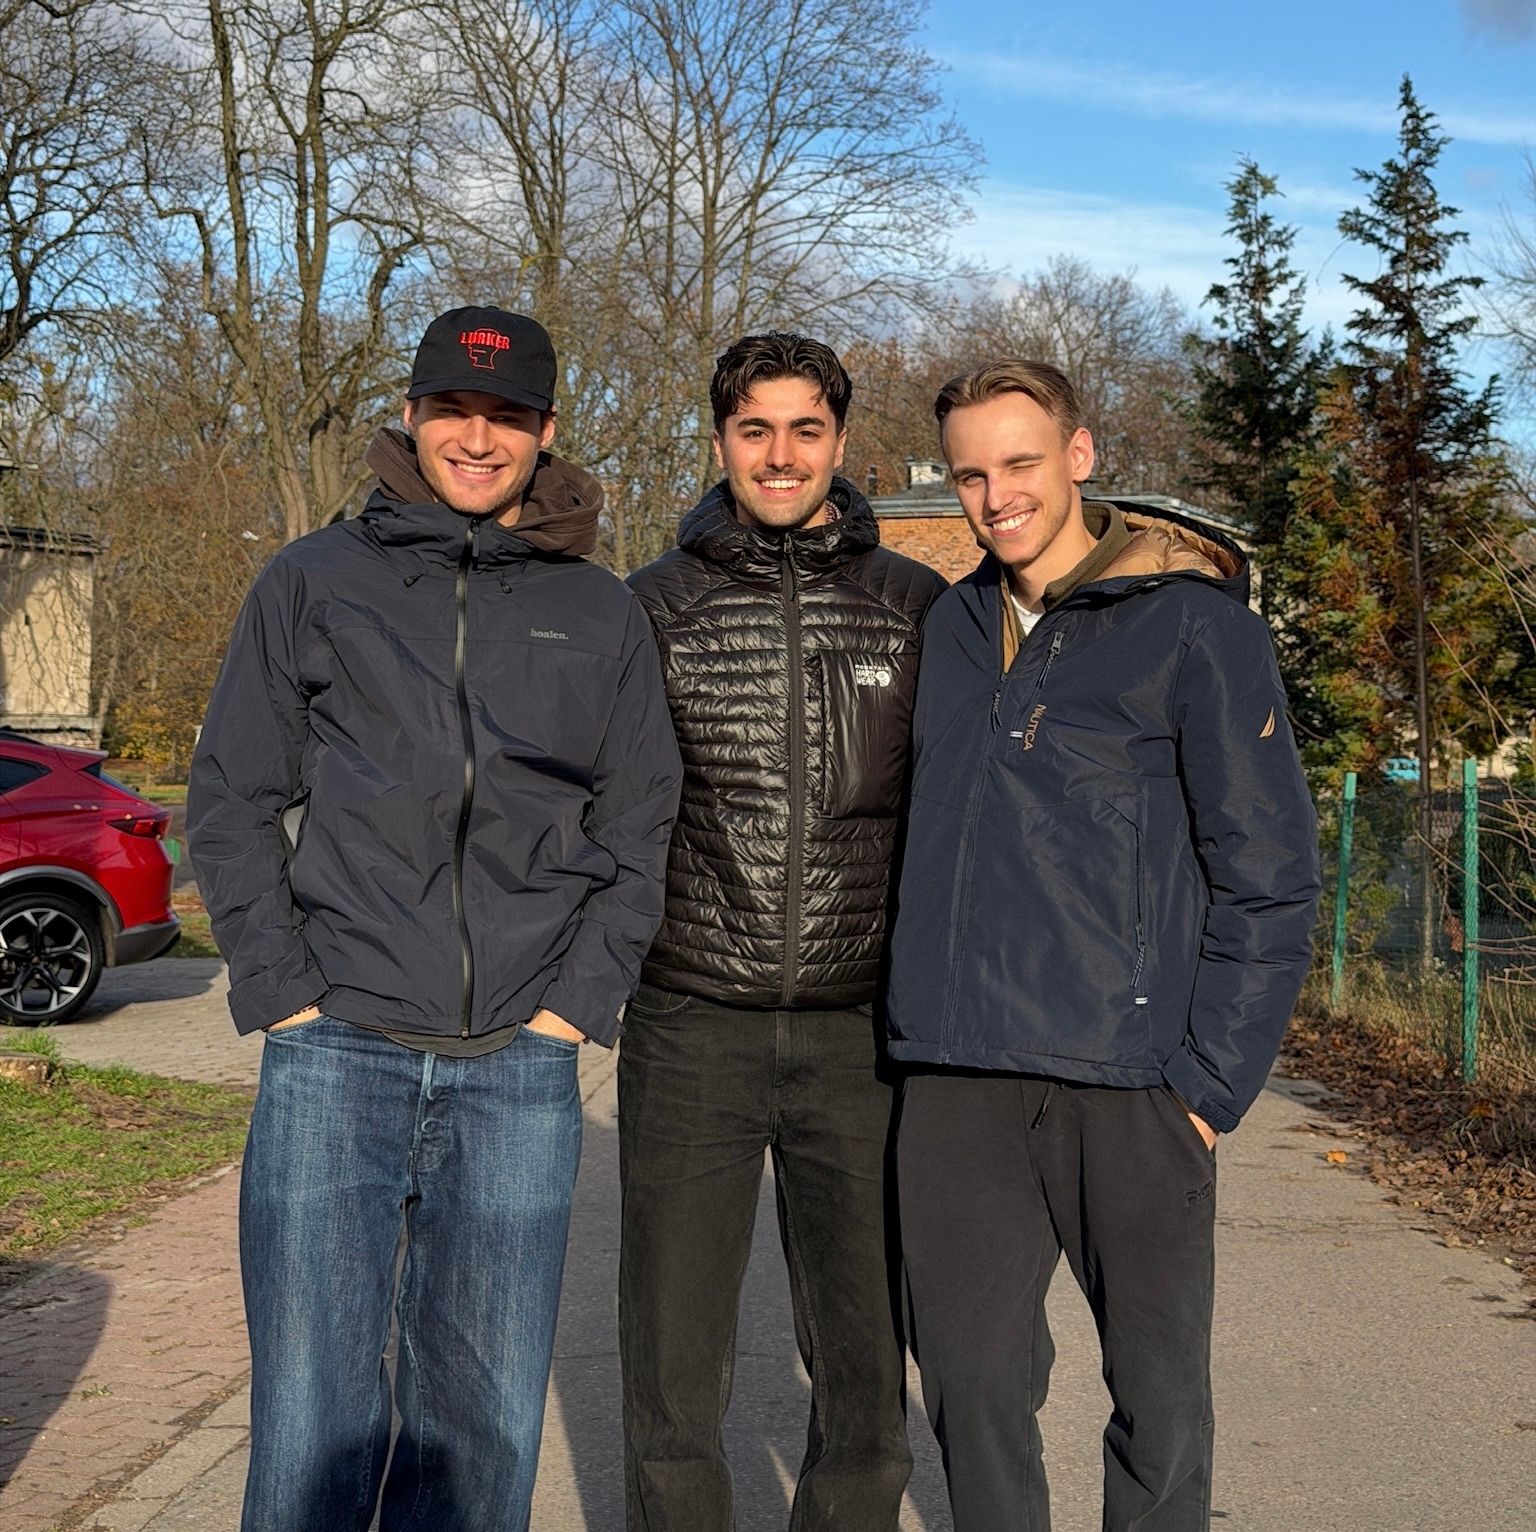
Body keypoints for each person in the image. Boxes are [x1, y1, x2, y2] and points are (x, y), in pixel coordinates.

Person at [188, 305, 682, 1532]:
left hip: (520, 1063)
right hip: (334, 1051)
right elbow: (232, 796)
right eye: (453, 408)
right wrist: (284, 993)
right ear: (409, 415)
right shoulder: (312, 579)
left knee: (482, 1424)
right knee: (310, 1416)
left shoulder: (600, 609)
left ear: (546, 429)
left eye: (507, 414)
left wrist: (574, 1009)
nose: (477, 435)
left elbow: (641, 824)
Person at [886, 360, 1320, 1532]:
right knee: (971, 1387)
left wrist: (1210, 1083)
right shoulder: (950, 627)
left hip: (1135, 1079)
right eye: (970, 473)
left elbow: (1270, 873)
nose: (997, 496)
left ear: (1079, 456)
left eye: (1020, 463)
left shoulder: (1195, 629)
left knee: (1160, 1404)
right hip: (958, 1070)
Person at [620, 332, 947, 1531]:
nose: (779, 454)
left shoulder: (915, 607)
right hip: (689, 1019)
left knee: (865, 1361)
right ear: (720, 440)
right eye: (754, 428)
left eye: (806, 429)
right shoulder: (652, 605)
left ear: (841, 442)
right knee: (671, 1361)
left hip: (861, 1035)